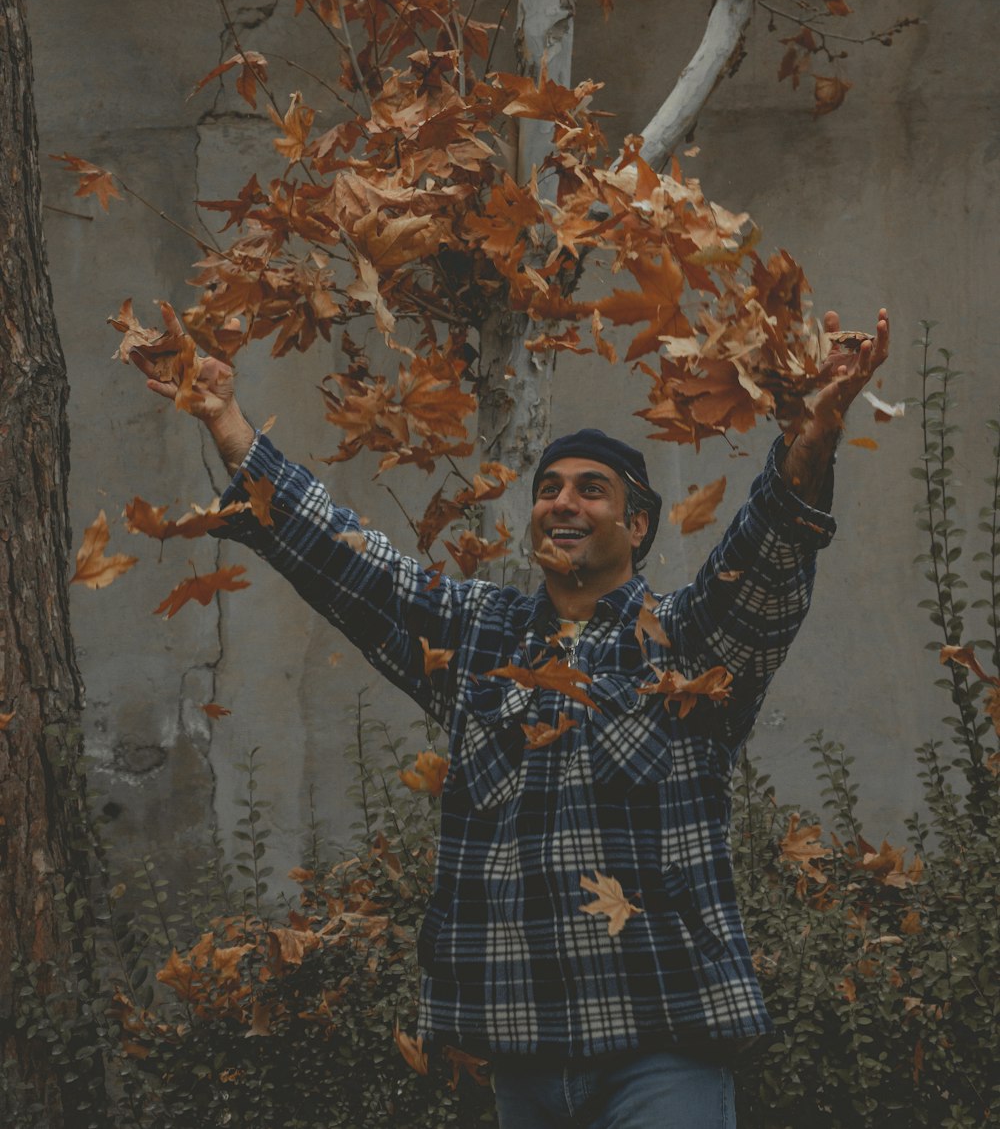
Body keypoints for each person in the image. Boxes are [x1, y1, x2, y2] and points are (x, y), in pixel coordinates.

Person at [133, 306, 890, 1129]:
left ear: (636, 525)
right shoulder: (478, 636)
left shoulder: (686, 643)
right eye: (549, 489)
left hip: (663, 1047)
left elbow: (768, 557)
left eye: (591, 490)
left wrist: (813, 435)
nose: (562, 504)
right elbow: (350, 561)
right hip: (521, 1061)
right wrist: (230, 423)